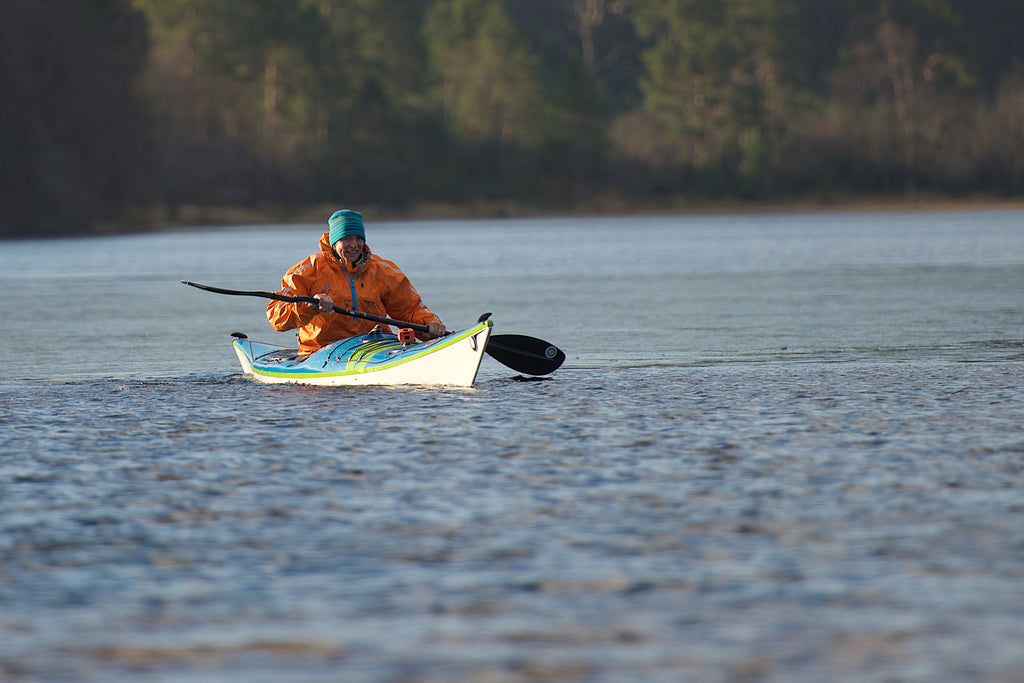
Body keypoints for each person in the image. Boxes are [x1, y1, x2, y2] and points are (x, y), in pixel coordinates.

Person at [266, 209, 446, 355]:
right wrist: (310, 305)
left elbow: (410, 309)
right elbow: (276, 317)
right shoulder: (307, 271)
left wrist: (430, 324)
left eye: (359, 239)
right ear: (334, 243)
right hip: (321, 352)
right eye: (347, 239)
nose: (354, 245)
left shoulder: (383, 270)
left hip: (377, 347)